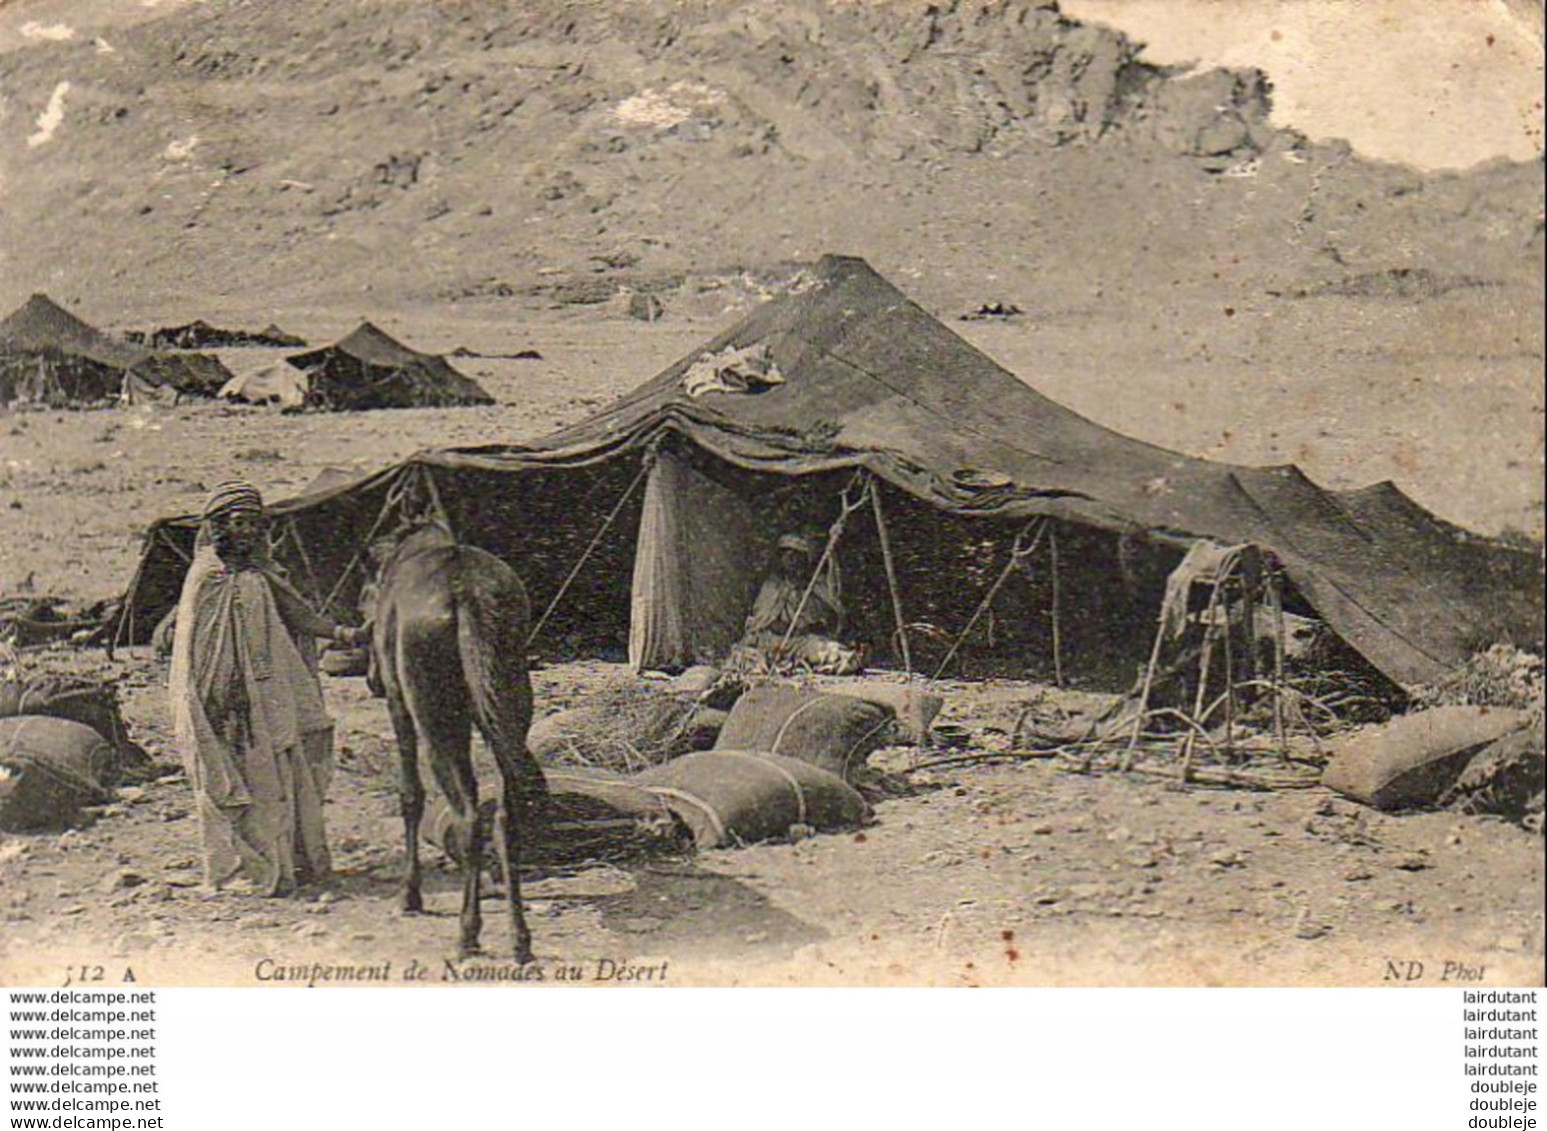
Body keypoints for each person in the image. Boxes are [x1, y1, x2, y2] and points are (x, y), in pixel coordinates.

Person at [169, 480, 361, 896]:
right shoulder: (206, 578)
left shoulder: (260, 573)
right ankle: (246, 871)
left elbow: (297, 614)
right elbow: (200, 652)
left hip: (270, 696)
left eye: (255, 524)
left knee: (284, 772)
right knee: (238, 782)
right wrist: (223, 700)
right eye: (240, 523)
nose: (249, 532)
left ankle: (294, 863)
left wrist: (344, 633)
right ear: (219, 526)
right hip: (225, 703)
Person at [735, 531, 863, 675]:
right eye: (786, 555)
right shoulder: (771, 586)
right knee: (747, 658)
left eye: (796, 556)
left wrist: (831, 554)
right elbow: (760, 620)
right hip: (771, 641)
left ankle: (812, 667)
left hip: (801, 642)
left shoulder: (814, 585)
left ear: (804, 559)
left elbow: (834, 594)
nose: (791, 560)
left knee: (841, 657)